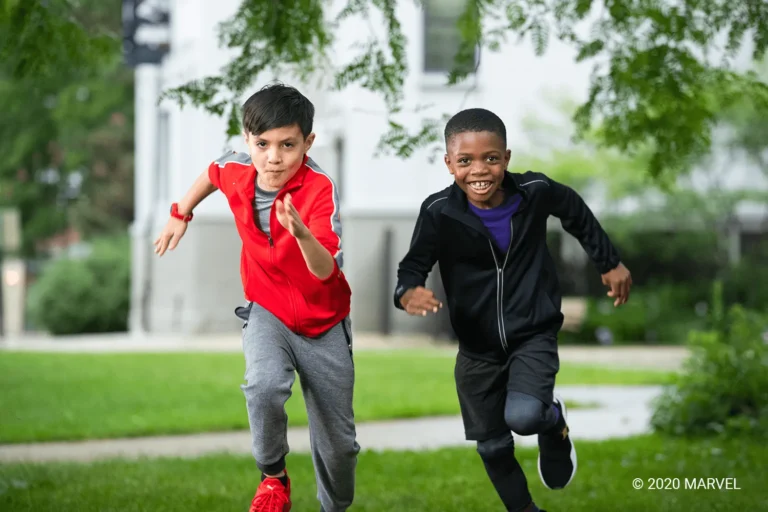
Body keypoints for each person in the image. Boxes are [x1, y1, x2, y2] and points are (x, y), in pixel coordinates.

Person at [393, 108, 632, 511]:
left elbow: (573, 209)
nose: (479, 170)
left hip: (532, 333)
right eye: (465, 161)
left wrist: (608, 262)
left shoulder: (534, 191)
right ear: (449, 164)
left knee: (523, 416)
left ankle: (552, 423)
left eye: (490, 158)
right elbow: (412, 266)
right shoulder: (439, 212)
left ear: (506, 157)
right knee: (491, 446)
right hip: (475, 349)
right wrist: (408, 291)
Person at [154, 83, 360, 512]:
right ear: (246, 140)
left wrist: (301, 232)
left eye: (288, 145)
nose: (274, 156)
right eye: (262, 144)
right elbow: (212, 172)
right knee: (262, 386)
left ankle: (334, 507)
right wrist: (180, 213)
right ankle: (273, 478)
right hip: (268, 312)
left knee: (339, 446)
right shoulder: (237, 168)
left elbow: (325, 272)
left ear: (308, 142)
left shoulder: (319, 190)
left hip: (324, 324)